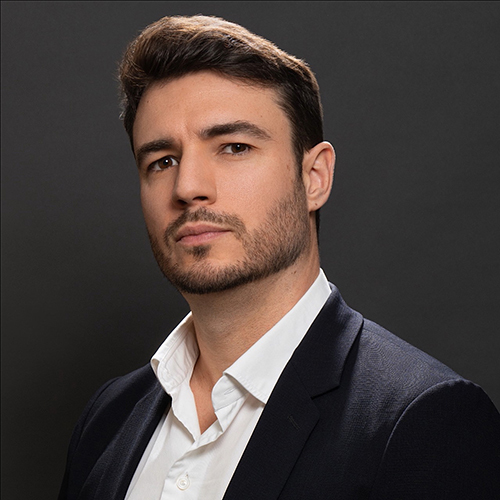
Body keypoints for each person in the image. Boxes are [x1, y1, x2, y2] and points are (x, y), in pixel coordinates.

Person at [58, 14, 500, 500]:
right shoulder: (107, 419)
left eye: (234, 147)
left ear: (314, 178)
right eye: (162, 161)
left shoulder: (424, 421)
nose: (187, 187)